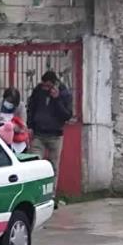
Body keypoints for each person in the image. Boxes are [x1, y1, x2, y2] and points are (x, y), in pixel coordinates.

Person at [27, 71, 72, 206]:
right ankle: (35, 195)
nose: (45, 89)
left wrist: (56, 99)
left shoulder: (64, 93)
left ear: (54, 84)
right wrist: (30, 125)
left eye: (48, 86)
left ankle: (50, 196)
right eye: (43, 86)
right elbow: (31, 107)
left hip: (55, 136)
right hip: (39, 135)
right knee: (34, 164)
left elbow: (67, 115)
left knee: (53, 167)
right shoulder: (38, 91)